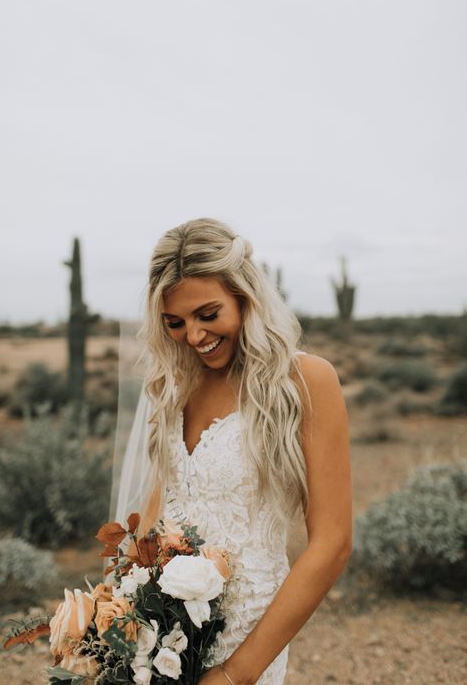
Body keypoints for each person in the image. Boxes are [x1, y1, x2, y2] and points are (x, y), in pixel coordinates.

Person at [114, 217, 352, 685]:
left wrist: (235, 673)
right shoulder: (173, 385)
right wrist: (121, 612)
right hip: (162, 629)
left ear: (246, 296)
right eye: (175, 323)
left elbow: (332, 543)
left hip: (248, 630)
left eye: (208, 314)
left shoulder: (305, 382)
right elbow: (160, 505)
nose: (195, 337)